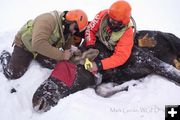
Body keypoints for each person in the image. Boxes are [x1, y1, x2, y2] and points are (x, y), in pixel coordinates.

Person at [0, 9, 88, 79]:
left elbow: (68, 45)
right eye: (75, 28)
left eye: (77, 30)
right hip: (25, 45)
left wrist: (76, 53)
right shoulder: (48, 20)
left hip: (43, 48)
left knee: (57, 64)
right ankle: (4, 55)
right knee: (13, 73)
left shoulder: (67, 29)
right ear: (70, 21)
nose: (74, 31)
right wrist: (62, 55)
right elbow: (38, 44)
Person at [84, 0, 134, 79]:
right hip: (95, 42)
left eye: (116, 23)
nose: (112, 24)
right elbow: (90, 30)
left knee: (109, 74)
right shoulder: (103, 14)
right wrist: (90, 46)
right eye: (111, 20)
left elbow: (121, 56)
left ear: (124, 22)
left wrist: (99, 65)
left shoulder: (128, 32)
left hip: (109, 51)